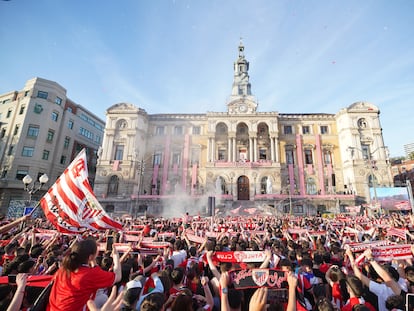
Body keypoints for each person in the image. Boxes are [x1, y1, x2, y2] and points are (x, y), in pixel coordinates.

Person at [47, 238, 122, 311]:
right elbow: (117, 276)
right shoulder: (89, 274)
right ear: (91, 257)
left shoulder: (62, 270)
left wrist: (92, 259)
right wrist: (116, 256)